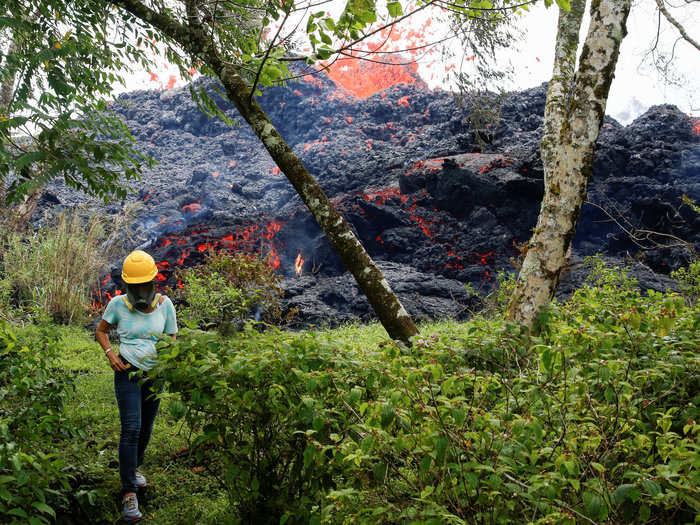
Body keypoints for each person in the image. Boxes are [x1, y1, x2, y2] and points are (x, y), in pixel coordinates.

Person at [96, 250, 178, 522]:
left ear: (154, 282)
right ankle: (129, 492)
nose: (141, 292)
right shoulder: (118, 304)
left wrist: (168, 360)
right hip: (128, 372)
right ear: (127, 286)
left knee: (146, 428)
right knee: (131, 428)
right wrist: (111, 355)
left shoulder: (166, 305)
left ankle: (134, 467)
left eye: (145, 285)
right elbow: (101, 331)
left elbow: (172, 339)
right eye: (135, 287)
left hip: (155, 375)